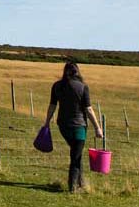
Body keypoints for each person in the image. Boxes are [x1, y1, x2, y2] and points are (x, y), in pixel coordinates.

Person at [43, 61, 103, 192]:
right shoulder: (82, 87)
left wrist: (47, 122)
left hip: (63, 126)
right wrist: (98, 127)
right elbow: (88, 109)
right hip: (79, 127)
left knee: (77, 153)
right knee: (75, 157)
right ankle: (73, 187)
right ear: (77, 72)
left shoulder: (57, 86)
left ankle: (81, 183)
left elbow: (52, 106)